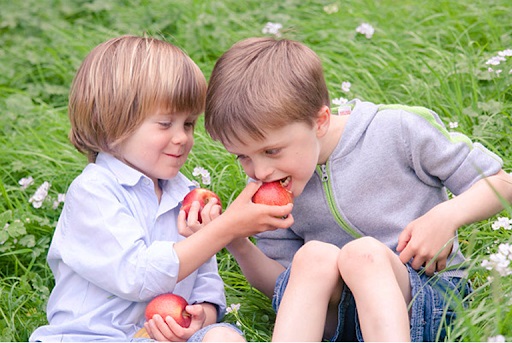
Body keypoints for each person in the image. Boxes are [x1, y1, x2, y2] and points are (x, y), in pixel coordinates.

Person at [203, 36, 512, 341]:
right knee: (311, 257)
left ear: (320, 121)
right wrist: (237, 240)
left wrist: (446, 216)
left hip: (426, 299)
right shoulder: (268, 186)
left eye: (272, 151)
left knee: (362, 254)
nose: (260, 172)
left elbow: (501, 183)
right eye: (243, 156)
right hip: (339, 320)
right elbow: (285, 285)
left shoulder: (397, 131)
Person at [29, 35, 294, 342]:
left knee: (223, 336)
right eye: (165, 124)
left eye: (189, 124)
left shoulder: (187, 196)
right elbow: (137, 276)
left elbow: (206, 281)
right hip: (91, 337)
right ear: (113, 123)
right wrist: (225, 228)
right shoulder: (94, 192)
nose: (182, 138)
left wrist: (201, 315)